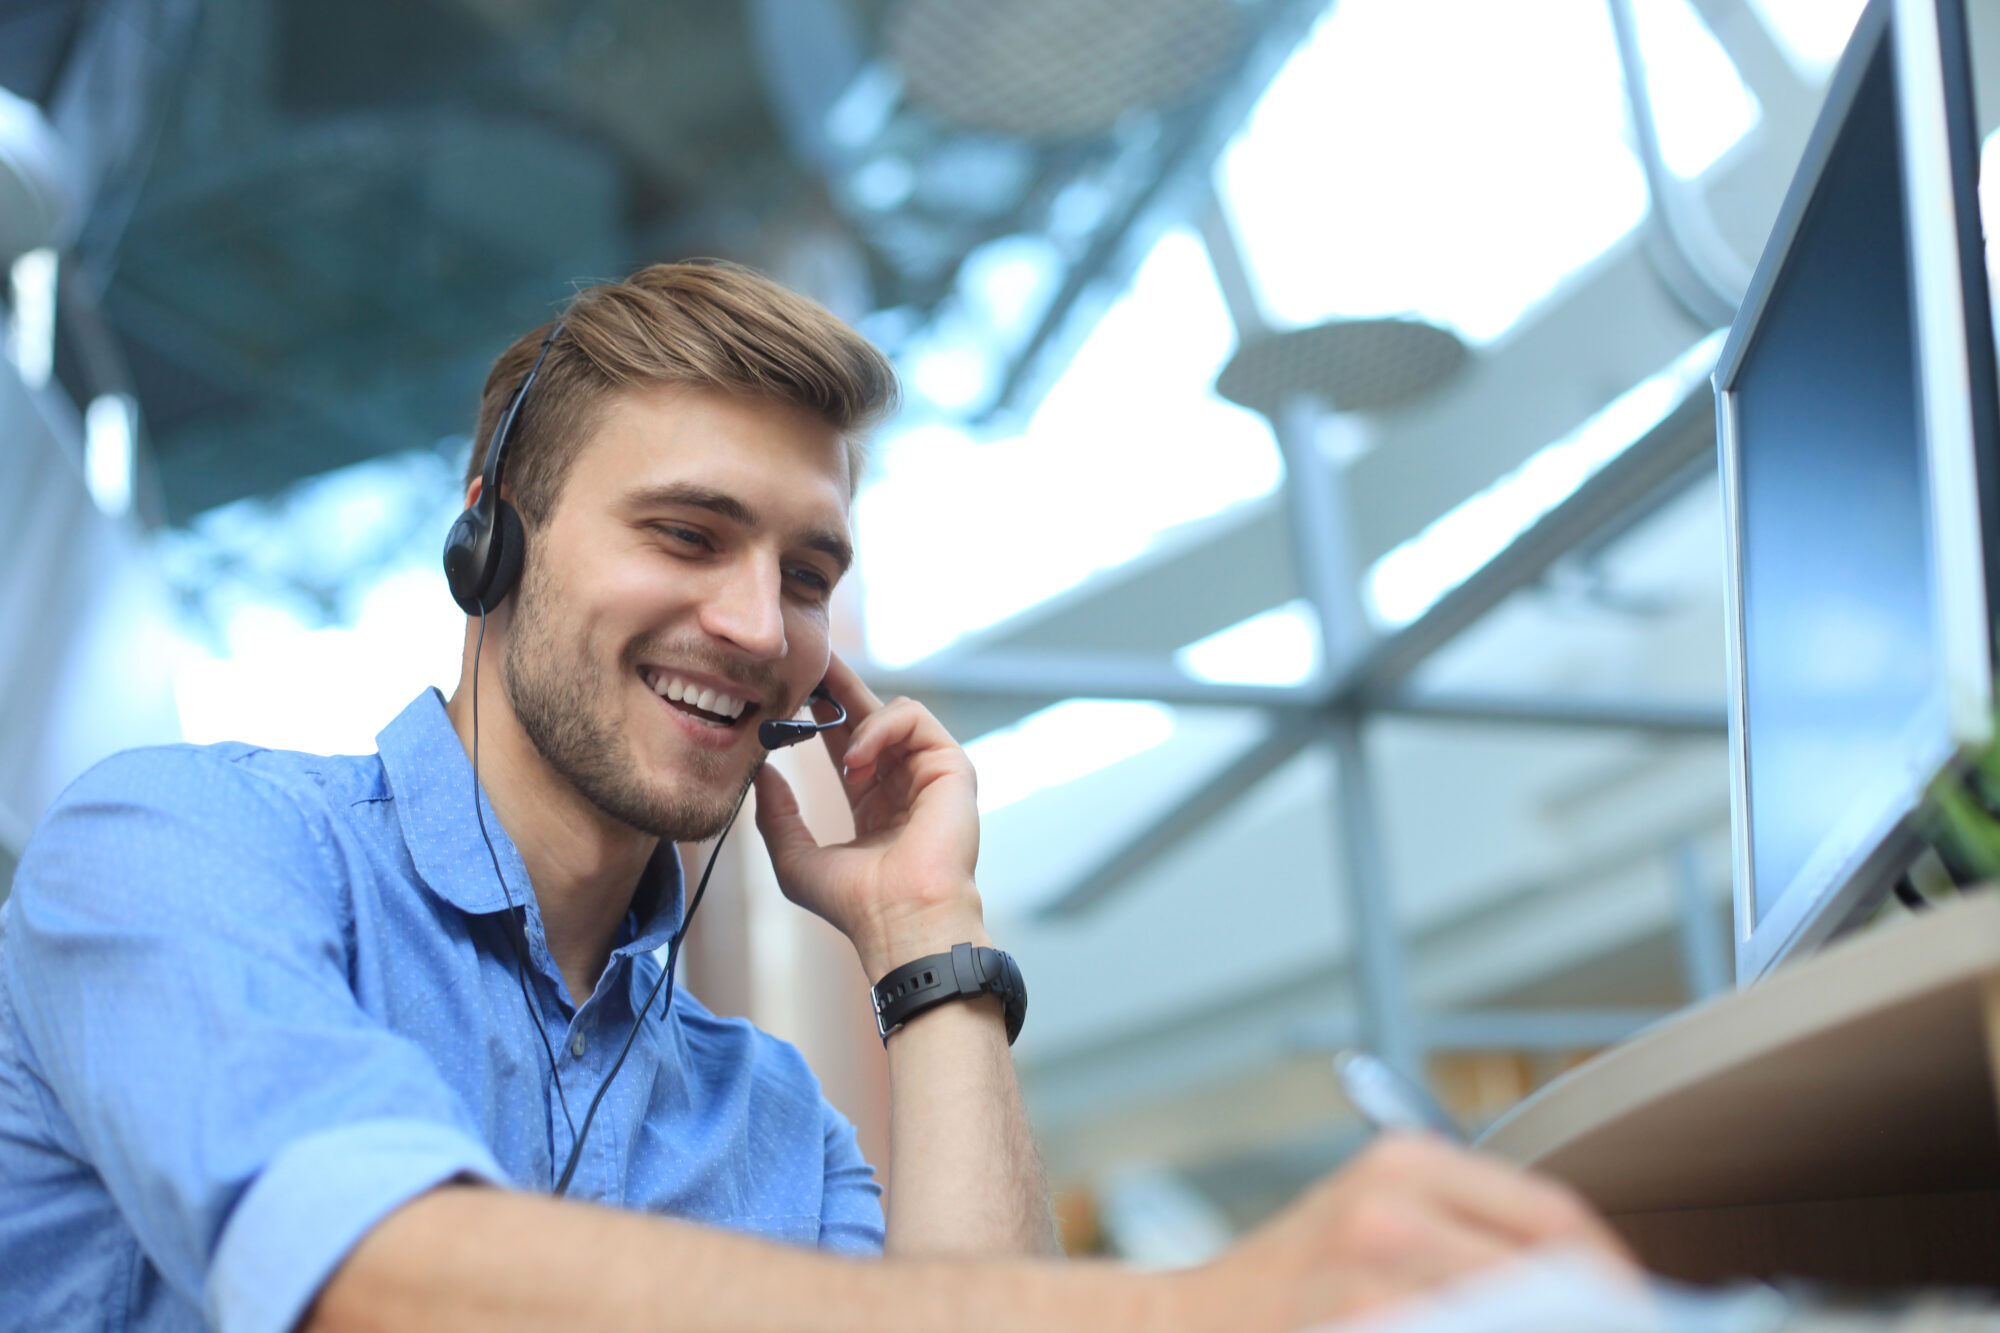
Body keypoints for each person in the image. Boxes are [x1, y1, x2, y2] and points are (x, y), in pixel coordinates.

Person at [0, 261, 1630, 1333]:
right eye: (688, 534)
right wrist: (1209, 1304)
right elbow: (379, 1278)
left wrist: (931, 941)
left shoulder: (763, 1117)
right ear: (487, 539)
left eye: (808, 570)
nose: (761, 625)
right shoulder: (178, 852)